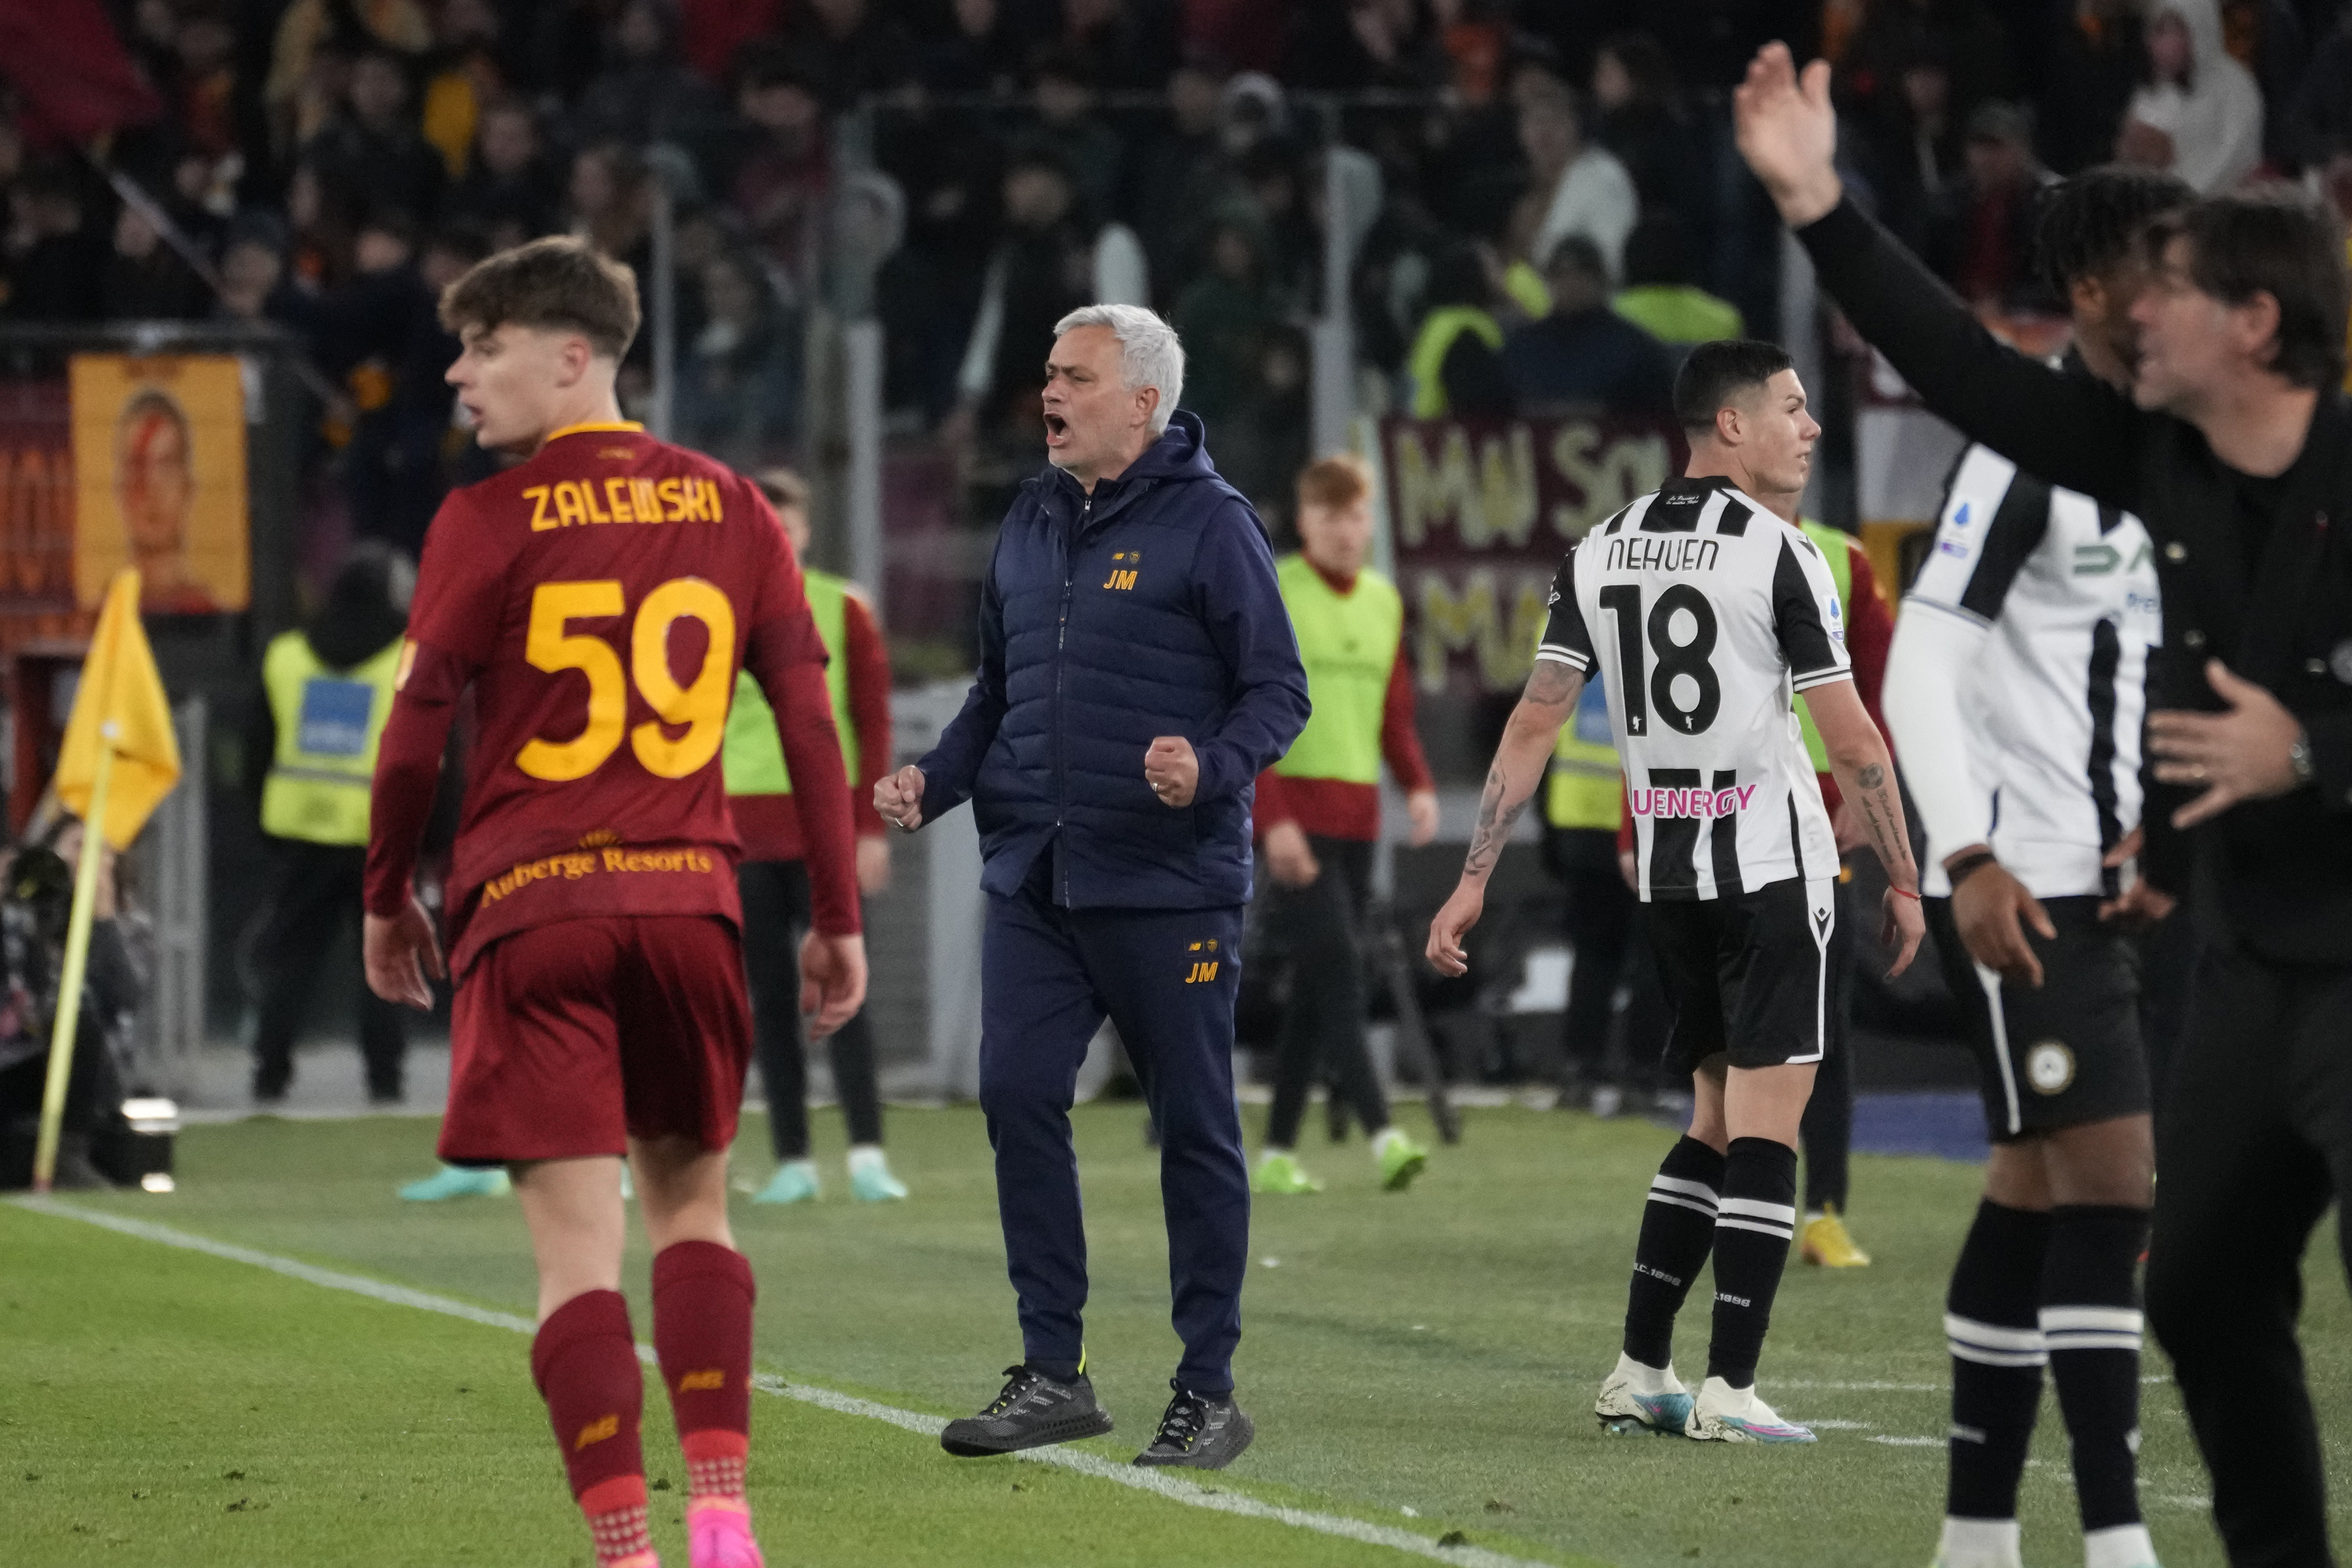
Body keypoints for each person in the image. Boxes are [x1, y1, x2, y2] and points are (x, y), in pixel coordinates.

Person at [1736, 43, 2351, 1563]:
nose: (2145, 306)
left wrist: (2312, 755)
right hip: (2187, 926)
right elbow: (1967, 374)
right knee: (2174, 1253)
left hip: (2318, 937)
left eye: (2181, 285)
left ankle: (2007, 1531)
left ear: (2254, 325)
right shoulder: (2142, 453)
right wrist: (1822, 204)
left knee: (2083, 1198)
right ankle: (2080, 1535)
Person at [363, 236, 866, 1568]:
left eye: (487, 346)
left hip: (534, 912)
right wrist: (836, 916)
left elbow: (416, 731)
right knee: (693, 1216)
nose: (461, 375)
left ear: (572, 357)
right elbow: (810, 730)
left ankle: (630, 1551)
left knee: (576, 1265)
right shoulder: (736, 510)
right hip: (690, 907)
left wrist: (385, 895)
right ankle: (723, 1515)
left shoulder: (486, 517)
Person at [1426, 339, 1926, 1445]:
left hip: (1668, 872)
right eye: (1790, 409)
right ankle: (1730, 1390)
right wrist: (1903, 872)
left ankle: (1639, 1372)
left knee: (1709, 1116)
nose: (1807, 428)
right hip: (1768, 866)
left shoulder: (1597, 550)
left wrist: (1469, 883)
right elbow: (1849, 741)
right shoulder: (1781, 553)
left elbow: (1533, 721)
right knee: (1767, 1125)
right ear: (1729, 424)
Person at [874, 303, 1308, 1470]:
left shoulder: (1215, 525)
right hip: (1036, 878)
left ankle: (1207, 1390)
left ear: (1142, 404)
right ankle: (1053, 1373)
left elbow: (1278, 692)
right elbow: (994, 694)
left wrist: (1208, 766)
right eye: (1048, 374)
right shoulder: (1026, 515)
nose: (1049, 394)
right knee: (1015, 1095)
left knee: (1194, 1129)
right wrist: (935, 782)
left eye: (1074, 377)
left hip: (1170, 886)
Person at [1883, 163, 2189, 1568]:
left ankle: (1976, 1537)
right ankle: (2118, 1540)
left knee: (2031, 1186)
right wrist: (1971, 857)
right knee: (2117, 1182)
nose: (2185, 291)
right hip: (2024, 884)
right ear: (2089, 291)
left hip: (2129, 884)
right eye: (2162, 266)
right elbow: (1922, 668)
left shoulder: (2176, 452)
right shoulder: (2021, 453)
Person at [1249, 453, 1438, 1196]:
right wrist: (1272, 822)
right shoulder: (1277, 592)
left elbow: (1393, 714)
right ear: (1305, 523)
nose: (1345, 530)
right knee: (1341, 969)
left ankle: (1274, 1154)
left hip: (1359, 822)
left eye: (1356, 515)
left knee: (1317, 983)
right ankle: (1384, 1133)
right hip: (1295, 816)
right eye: (1330, 516)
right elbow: (1249, 712)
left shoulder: (1385, 602)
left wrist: (1417, 785)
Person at [720, 466, 903, 1206]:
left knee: (844, 986)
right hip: (738, 831)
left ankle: (866, 1152)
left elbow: (871, 718)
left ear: (803, 532)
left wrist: (869, 828)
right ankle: (792, 1157)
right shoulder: (713, 607)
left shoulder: (840, 606)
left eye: (788, 522)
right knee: (767, 999)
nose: (780, 534)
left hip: (821, 827)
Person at [246, 544, 415, 1106]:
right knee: (384, 963)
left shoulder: (287, 656)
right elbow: (428, 758)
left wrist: (265, 824)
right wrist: (434, 834)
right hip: (379, 836)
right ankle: (385, 1080)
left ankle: (270, 1073)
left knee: (291, 960)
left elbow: (256, 751)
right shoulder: (403, 662)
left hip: (301, 834)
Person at [1788, 513, 1896, 1271]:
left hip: (1822, 821)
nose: (1806, 432)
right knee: (1731, 1030)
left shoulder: (1844, 561)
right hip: (1722, 812)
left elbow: (1882, 690)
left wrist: (1869, 794)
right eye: (1787, 412)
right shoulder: (1692, 547)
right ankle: (1732, 1203)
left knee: (1824, 1022)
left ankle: (1824, 1211)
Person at [1501, 236, 1676, 419]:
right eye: (1561, 274)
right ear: (1549, 280)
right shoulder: (1522, 347)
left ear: (1601, 280)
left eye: (1582, 274)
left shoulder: (1636, 350)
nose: (1571, 283)